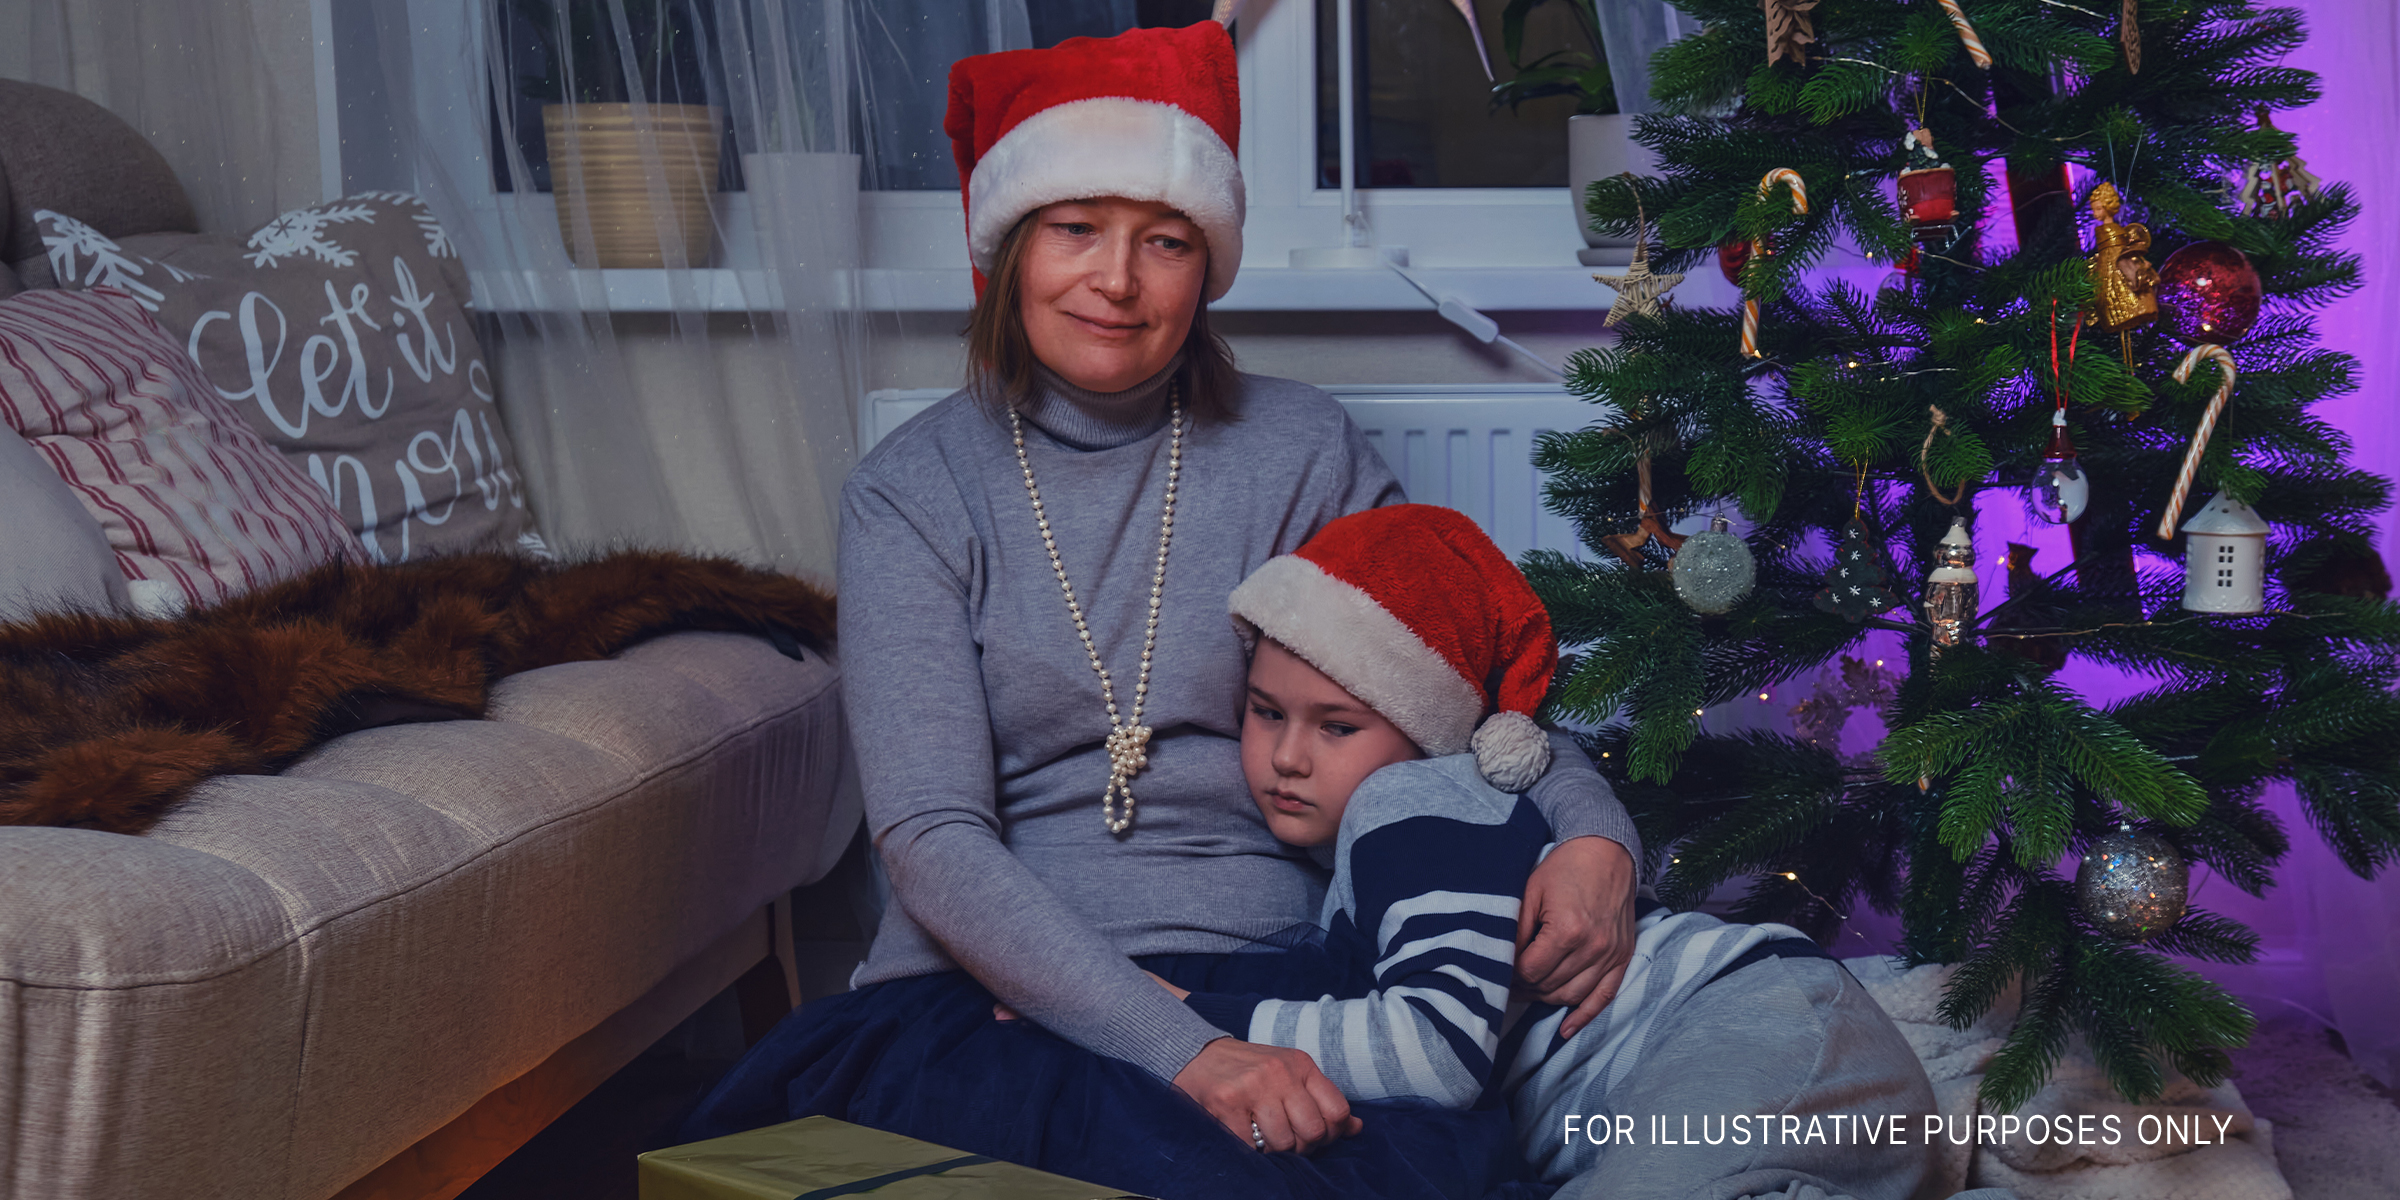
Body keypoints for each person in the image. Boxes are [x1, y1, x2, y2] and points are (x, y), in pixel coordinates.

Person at [683, 19, 1642, 1199]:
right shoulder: (911, 492)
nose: (1118, 281)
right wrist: (1188, 1051)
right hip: (995, 999)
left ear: (1211, 265)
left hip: (1288, 977)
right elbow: (932, 841)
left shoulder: (1303, 452)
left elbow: (1478, 703)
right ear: (1009, 248)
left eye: (1166, 241)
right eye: (1076, 229)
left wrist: (1598, 835)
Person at [1144, 503, 1947, 1200]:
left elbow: (1434, 1054)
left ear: (1423, 733)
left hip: (1756, 1029)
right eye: (1265, 713)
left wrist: (1190, 1023)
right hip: (1783, 1084)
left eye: (1337, 727)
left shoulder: (1409, 803)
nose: (1289, 756)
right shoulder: (1398, 826)